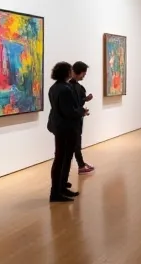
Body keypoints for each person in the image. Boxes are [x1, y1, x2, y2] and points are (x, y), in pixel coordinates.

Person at [47, 61, 89, 202]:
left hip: (59, 127)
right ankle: (56, 192)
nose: (72, 72)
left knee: (62, 158)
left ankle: (61, 188)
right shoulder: (65, 89)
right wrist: (82, 112)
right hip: (66, 128)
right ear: (66, 73)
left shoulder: (54, 88)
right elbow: (69, 111)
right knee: (62, 159)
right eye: (70, 70)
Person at [69, 61, 95, 175]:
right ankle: (81, 165)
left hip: (77, 119)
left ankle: (81, 164)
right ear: (79, 72)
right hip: (71, 121)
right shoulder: (68, 87)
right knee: (75, 144)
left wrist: (85, 101)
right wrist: (81, 109)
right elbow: (71, 106)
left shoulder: (79, 87)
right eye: (84, 74)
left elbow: (78, 103)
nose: (84, 76)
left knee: (76, 142)